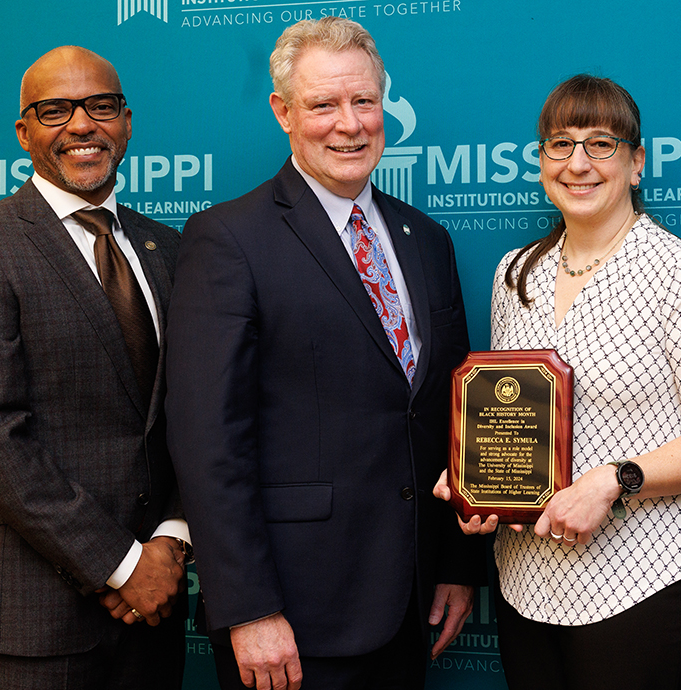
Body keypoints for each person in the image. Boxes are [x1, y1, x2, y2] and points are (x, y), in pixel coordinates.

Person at [165, 17, 482, 690]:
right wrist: (248, 607)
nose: (350, 124)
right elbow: (207, 439)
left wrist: (454, 562)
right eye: (323, 105)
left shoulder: (426, 239)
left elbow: (448, 414)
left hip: (409, 601)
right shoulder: (227, 239)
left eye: (364, 101)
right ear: (283, 111)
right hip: (292, 615)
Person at [436, 74, 681, 689]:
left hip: (641, 578)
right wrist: (477, 481)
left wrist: (613, 480)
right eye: (560, 144)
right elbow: (508, 416)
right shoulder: (515, 273)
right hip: (526, 579)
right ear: (541, 161)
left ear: (636, 163)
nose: (578, 162)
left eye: (601, 144)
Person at [0, 46, 190, 688]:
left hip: (156, 611)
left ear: (126, 122)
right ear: (24, 132)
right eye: (55, 110)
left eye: (100, 106)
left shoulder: (169, 250)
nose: (81, 125)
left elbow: (197, 413)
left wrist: (173, 541)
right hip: (34, 619)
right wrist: (124, 564)